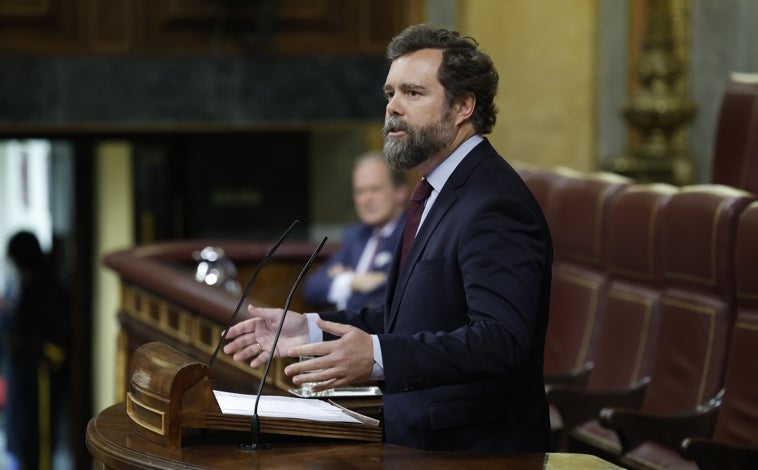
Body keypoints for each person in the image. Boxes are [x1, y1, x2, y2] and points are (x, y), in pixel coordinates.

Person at [223, 23, 553, 452]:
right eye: (389, 94)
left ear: (463, 106)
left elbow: (500, 340)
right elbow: (415, 316)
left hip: (475, 453)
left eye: (413, 93)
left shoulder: (493, 202)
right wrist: (310, 330)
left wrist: (378, 357)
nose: (393, 108)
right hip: (420, 444)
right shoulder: (435, 190)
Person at [302, 152, 408, 311]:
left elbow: (389, 293)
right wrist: (352, 281)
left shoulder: (413, 233)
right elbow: (312, 288)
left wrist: (340, 280)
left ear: (400, 192)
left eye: (374, 189)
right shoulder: (356, 236)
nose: (365, 199)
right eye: (359, 191)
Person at [0, 231, 67, 469]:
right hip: (21, 376)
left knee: (38, 442)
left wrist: (41, 354)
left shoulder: (44, 285)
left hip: (39, 379)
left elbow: (57, 340)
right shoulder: (22, 282)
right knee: (21, 437)